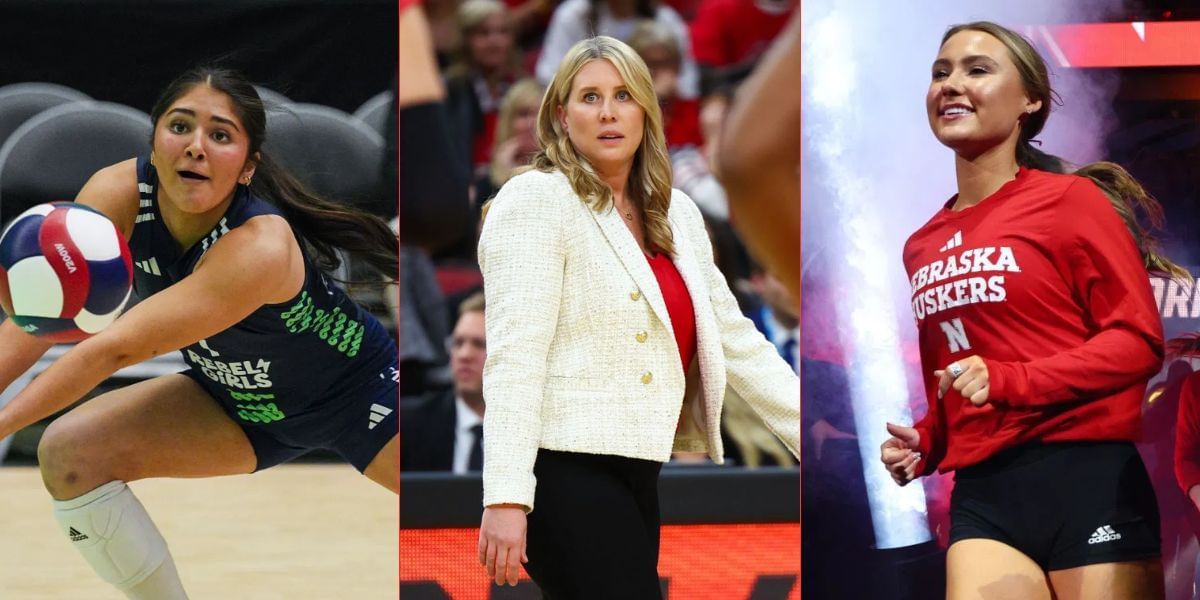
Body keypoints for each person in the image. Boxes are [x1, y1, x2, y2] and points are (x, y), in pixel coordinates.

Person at [0, 67, 399, 599]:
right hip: (235, 400)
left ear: (247, 168)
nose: (195, 147)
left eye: (220, 135)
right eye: (180, 126)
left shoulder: (260, 245)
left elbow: (113, 349)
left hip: (359, 393)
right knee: (71, 453)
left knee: (492, 522)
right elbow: (42, 319)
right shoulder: (116, 192)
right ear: (154, 140)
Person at [474, 35, 799, 597]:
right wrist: (505, 496)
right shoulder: (535, 200)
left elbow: (735, 339)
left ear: (647, 110)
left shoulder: (677, 211)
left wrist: (818, 438)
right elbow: (513, 356)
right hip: (560, 466)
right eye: (589, 97)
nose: (607, 112)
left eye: (624, 96)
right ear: (561, 114)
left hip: (641, 464)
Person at [878, 21, 1188, 600]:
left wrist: (1010, 380)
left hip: (1089, 480)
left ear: (1030, 101)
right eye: (940, 72)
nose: (950, 84)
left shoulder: (1072, 201)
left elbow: (1138, 341)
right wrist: (929, 440)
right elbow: (959, 373)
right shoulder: (922, 243)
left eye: (977, 69)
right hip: (984, 494)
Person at [401, 291, 488, 473]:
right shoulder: (408, 425)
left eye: (480, 344)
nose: (465, 355)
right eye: (458, 343)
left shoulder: (537, 435)